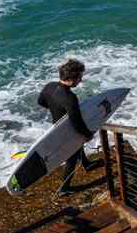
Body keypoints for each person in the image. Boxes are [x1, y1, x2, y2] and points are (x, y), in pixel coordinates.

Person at [38, 58, 102, 196]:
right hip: (67, 131)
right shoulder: (70, 98)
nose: (81, 80)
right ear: (72, 79)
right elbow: (76, 123)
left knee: (78, 147)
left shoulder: (49, 86)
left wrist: (55, 109)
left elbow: (41, 101)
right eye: (80, 77)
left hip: (57, 125)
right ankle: (64, 188)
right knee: (71, 159)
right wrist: (87, 134)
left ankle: (86, 164)